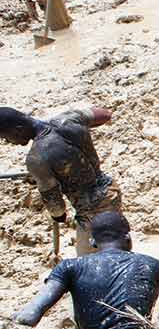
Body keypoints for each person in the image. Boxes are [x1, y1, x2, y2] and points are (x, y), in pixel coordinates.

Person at [12, 212, 159, 329]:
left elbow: (29, 316)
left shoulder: (70, 267)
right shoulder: (153, 265)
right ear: (128, 237)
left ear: (92, 242)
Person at [0, 105, 120, 257]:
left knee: (89, 262)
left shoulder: (36, 158)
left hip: (91, 209)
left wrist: (59, 216)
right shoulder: (68, 119)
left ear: (17, 129)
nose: (9, 142)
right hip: (110, 191)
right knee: (117, 246)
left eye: (6, 137)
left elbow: (56, 206)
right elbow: (105, 114)